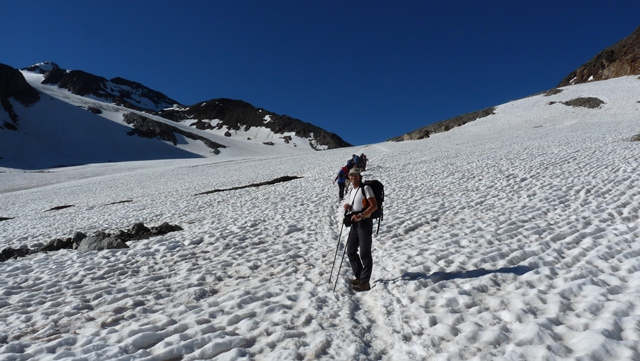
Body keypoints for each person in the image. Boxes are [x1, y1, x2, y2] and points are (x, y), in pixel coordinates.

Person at [342, 167, 378, 292]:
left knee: (364, 253)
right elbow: (358, 206)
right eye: (351, 175)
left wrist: (362, 215)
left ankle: (365, 282)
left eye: (355, 175)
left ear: (360, 176)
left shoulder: (366, 188)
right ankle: (360, 277)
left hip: (364, 222)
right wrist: (349, 207)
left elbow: (374, 206)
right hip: (355, 223)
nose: (353, 177)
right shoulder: (353, 190)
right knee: (351, 251)